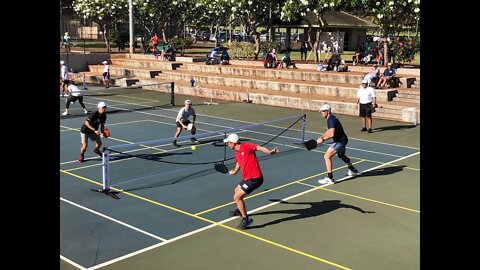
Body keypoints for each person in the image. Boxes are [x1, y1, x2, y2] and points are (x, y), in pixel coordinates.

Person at [224, 133, 279, 229]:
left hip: (255, 178)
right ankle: (239, 210)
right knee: (236, 190)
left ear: (233, 143)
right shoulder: (237, 152)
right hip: (247, 178)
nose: (227, 144)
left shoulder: (246, 146)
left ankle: (246, 219)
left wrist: (270, 152)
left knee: (237, 197)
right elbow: (238, 163)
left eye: (229, 142)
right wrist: (234, 172)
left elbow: (259, 148)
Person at [316, 104, 361, 185]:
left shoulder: (331, 120)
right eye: (321, 111)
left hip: (339, 142)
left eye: (323, 111)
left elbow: (331, 134)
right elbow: (328, 131)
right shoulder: (330, 118)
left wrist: (322, 139)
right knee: (341, 156)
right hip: (343, 140)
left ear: (328, 111)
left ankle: (330, 178)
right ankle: (353, 170)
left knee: (326, 156)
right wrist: (321, 137)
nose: (322, 113)